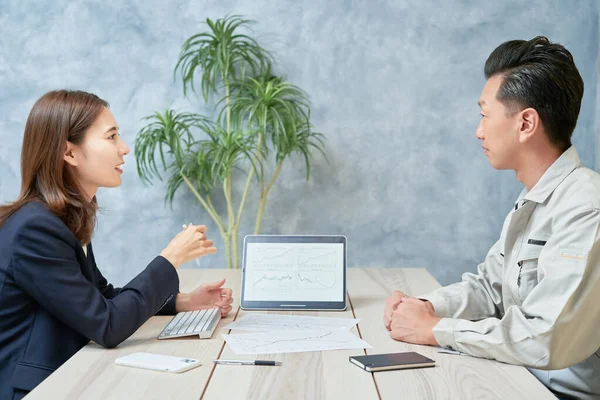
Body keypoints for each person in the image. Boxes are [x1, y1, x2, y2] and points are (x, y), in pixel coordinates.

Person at [383, 36, 600, 399]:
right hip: (518, 379)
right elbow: (491, 286)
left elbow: (546, 338)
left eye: (485, 114)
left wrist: (435, 330)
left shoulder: (586, 208)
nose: (478, 130)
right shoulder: (535, 198)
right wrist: (425, 307)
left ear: (526, 123)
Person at [0, 90, 234, 399]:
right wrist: (169, 258)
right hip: (36, 389)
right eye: (111, 138)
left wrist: (183, 302)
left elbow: (100, 297)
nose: (124, 149)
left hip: (69, 374)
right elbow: (107, 325)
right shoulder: (35, 229)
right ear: (69, 153)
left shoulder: (59, 217)